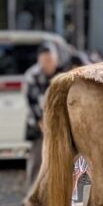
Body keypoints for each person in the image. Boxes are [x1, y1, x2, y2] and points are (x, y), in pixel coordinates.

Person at [23, 43, 64, 191]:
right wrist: (43, 124)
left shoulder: (62, 73)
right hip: (38, 123)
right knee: (37, 160)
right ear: (39, 60)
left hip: (61, 123)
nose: (49, 64)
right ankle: (32, 195)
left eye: (51, 60)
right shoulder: (32, 76)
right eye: (45, 61)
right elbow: (32, 103)